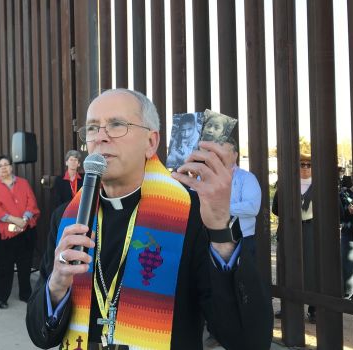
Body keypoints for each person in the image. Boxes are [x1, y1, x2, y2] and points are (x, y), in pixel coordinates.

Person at [26, 89, 272, 349]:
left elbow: (247, 340)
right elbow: (41, 336)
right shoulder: (67, 218)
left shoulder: (192, 213)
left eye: (116, 124)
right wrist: (56, 286)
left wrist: (221, 232)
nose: (100, 137)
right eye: (92, 128)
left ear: (151, 142)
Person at [0, 155, 40, 309]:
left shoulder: (23, 183)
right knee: (4, 267)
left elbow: (31, 202)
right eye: (0, 165)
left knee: (25, 266)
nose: (4, 167)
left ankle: (25, 294)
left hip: (25, 231)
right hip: (5, 234)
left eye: (6, 164)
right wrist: (14, 220)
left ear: (11, 167)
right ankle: (1, 297)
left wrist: (24, 219)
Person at [272, 153, 316, 323]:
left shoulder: (320, 185)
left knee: (312, 270)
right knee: (287, 268)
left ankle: (314, 308)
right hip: (289, 231)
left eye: (308, 164)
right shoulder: (285, 185)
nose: (305, 168)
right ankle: (288, 307)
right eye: (302, 164)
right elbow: (276, 208)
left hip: (312, 232)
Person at [339, 175, 353, 300]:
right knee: (347, 265)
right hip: (349, 232)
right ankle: (348, 294)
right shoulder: (344, 194)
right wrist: (347, 210)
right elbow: (339, 215)